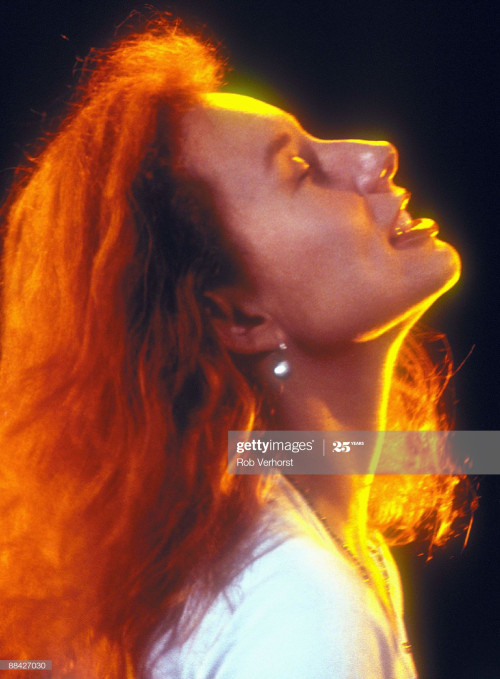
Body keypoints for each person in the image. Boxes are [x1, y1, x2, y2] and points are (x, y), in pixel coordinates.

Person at [0, 15, 471, 679]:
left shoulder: (317, 548)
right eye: (302, 168)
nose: (376, 152)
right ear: (240, 313)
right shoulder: (302, 611)